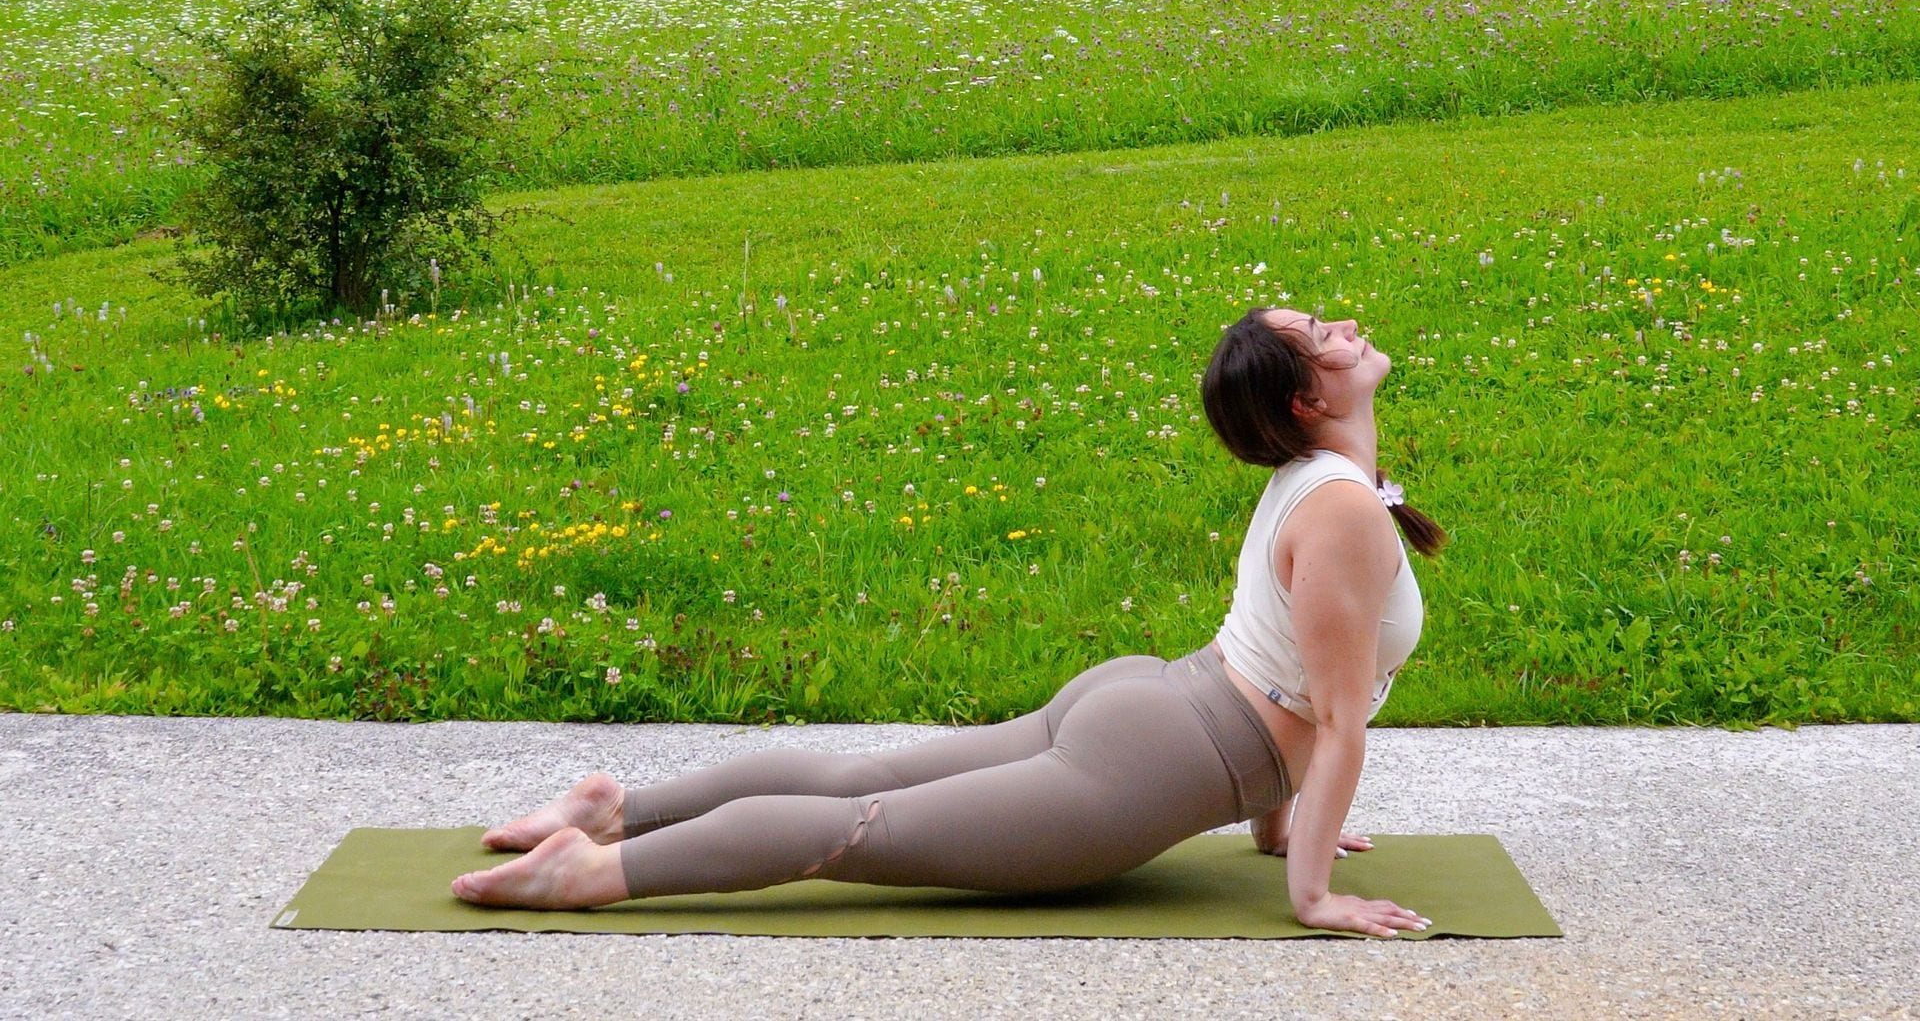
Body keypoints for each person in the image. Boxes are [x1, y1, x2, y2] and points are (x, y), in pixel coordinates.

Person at [451, 306, 1448, 938]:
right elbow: (1337, 720)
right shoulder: (1344, 506)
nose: (1349, 328)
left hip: (1153, 702)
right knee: (858, 830)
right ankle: (592, 871)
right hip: (1154, 758)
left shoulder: (1317, 484)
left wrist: (1278, 828)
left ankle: (614, 808)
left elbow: (1291, 676)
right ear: (1308, 398)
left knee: (860, 782)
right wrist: (1312, 896)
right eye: (1326, 337)